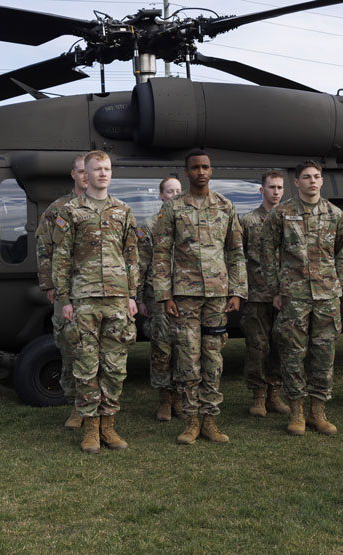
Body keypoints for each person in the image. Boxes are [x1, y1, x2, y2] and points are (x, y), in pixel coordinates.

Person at [152, 149, 247, 445]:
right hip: (185, 296)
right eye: (195, 168)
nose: (201, 172)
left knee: (213, 357)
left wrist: (237, 291)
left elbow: (235, 252)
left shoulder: (225, 206)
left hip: (217, 296)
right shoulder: (173, 208)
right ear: (187, 172)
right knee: (187, 358)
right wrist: (164, 294)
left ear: (211, 170)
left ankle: (210, 420)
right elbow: (161, 253)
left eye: (205, 167)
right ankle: (191, 421)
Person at [53, 151, 139, 454]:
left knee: (115, 367)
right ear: (85, 175)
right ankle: (90, 428)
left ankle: (109, 426)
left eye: (107, 168)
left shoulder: (123, 210)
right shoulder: (71, 211)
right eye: (96, 169)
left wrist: (132, 295)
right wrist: (64, 298)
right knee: (86, 365)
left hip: (117, 299)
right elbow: (61, 257)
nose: (102, 173)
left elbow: (132, 256)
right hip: (84, 299)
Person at [264, 160, 343, 436]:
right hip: (294, 296)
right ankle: (296, 412)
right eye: (306, 177)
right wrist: (275, 288)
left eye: (316, 177)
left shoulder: (335, 214)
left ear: (322, 181)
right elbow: (267, 250)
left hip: (327, 296)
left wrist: (337, 283)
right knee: (293, 354)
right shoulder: (282, 213)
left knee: (324, 355)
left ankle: (318, 412)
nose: (312, 181)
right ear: (297, 182)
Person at [34, 154, 87, 430]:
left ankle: (100, 407)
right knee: (69, 348)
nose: (86, 176)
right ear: (73, 175)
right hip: (68, 291)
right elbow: (44, 248)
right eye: (81, 171)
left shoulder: (110, 208)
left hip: (100, 291)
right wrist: (50, 285)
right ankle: (77, 405)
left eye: (89, 171)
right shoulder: (58, 209)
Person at [240, 171, 290, 417]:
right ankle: (258, 396)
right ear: (262, 191)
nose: (276, 192)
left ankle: (275, 394)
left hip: (285, 295)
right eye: (271, 187)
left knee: (280, 345)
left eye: (280, 187)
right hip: (257, 294)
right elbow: (238, 258)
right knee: (257, 347)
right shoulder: (248, 221)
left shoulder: (290, 219)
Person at [137, 176, 183, 421]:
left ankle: (181, 398)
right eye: (169, 191)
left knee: (185, 348)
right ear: (161, 196)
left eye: (177, 191)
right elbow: (140, 265)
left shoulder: (189, 224)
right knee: (162, 348)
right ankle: (165, 399)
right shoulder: (148, 226)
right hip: (157, 297)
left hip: (186, 296)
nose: (174, 195)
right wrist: (139, 298)